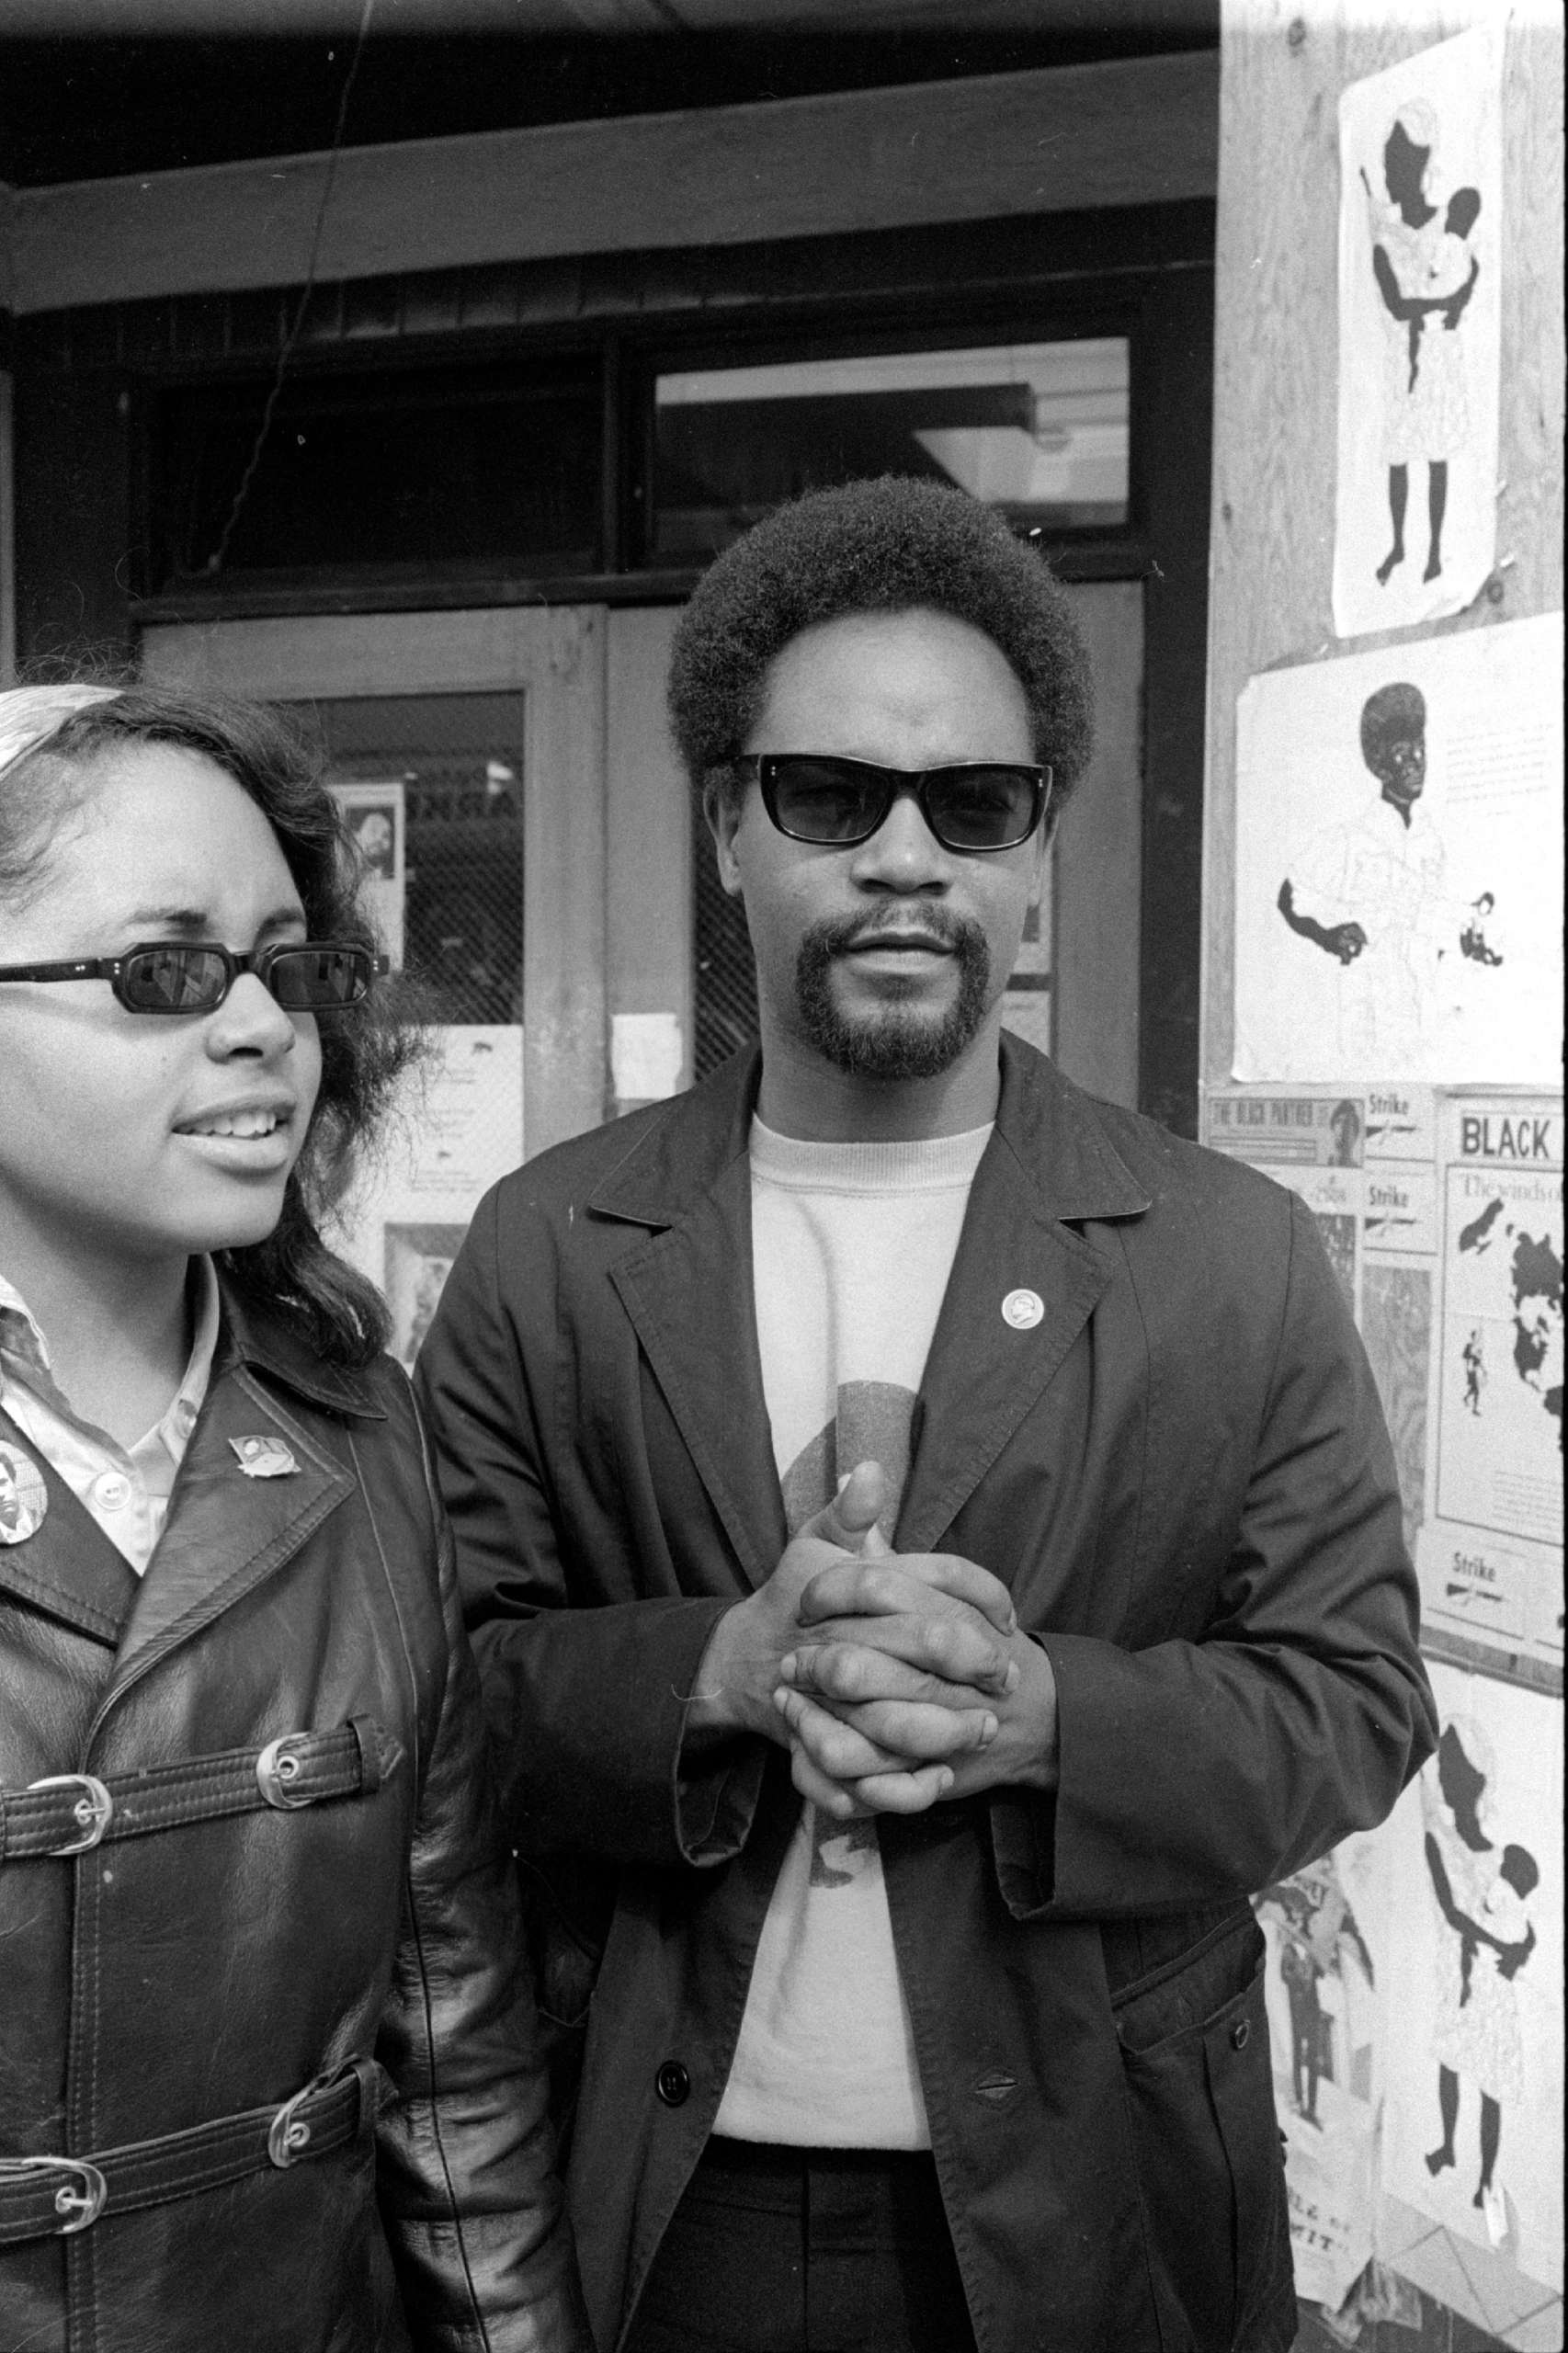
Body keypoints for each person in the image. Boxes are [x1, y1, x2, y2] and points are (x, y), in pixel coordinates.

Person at [416, 477, 1437, 2353]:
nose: (906, 854)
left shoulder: (1225, 1254)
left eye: (974, 803)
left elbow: (1358, 1704)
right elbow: (435, 1706)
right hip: (661, 2176)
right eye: (828, 795)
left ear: (1035, 846)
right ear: (727, 824)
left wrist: (1048, 1713)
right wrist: (712, 1671)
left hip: (1091, 2195)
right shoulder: (552, 1248)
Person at [0, 682, 590, 2353]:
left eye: (291, 965)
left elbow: (452, 2043)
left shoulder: (356, 1436)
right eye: (164, 972)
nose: (263, 1024)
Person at [1276, 680, 1500, 1070]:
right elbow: (1289, 895)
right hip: (1372, 1017)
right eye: (1401, 753)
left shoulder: (1430, 839)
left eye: (1420, 749)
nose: (1416, 761)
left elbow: (1429, 918)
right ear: (1380, 765)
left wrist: (1465, 939)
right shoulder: (1352, 839)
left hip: (1424, 1012)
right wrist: (1328, 935)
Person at [1360, 107, 1482, 588]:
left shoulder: (1447, 230)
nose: (1391, 173)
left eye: (1399, 162)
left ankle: (1434, 549)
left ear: (1420, 164)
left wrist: (1442, 301)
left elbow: (1464, 283)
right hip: (1401, 361)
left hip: (1435, 362)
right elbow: (1395, 302)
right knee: (1397, 455)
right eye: (1388, 163)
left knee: (1435, 455)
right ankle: (1398, 543)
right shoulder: (1384, 239)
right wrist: (1439, 303)